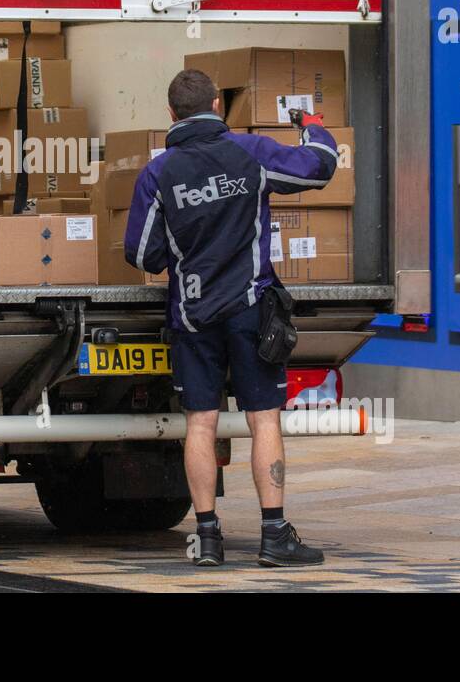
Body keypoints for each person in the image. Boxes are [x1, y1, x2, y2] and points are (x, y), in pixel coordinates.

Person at [123, 68, 337, 567]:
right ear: (218, 105)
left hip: (192, 315)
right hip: (250, 310)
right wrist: (311, 125)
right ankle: (274, 535)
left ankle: (207, 539)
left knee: (200, 421)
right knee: (264, 419)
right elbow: (321, 166)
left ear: (171, 114)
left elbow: (141, 253)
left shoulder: (158, 173)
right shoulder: (252, 153)